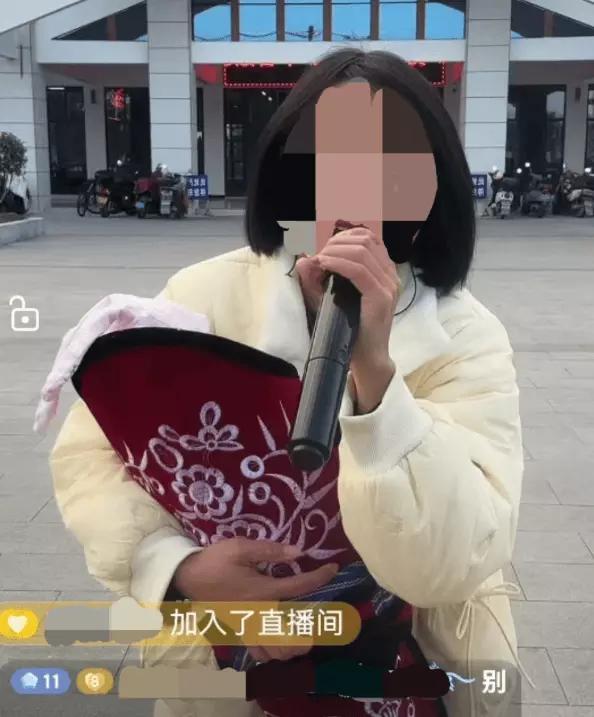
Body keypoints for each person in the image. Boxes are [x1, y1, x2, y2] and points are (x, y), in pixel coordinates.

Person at [50, 48, 529, 717]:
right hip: (226, 667)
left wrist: (377, 378)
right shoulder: (200, 296)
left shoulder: (467, 335)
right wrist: (179, 569)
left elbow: (454, 554)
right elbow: (91, 456)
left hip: (409, 660)